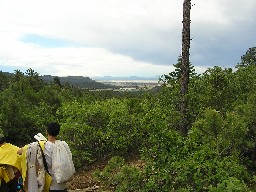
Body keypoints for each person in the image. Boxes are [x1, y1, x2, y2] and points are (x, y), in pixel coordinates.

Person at [17, 122, 75, 192]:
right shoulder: (64, 144)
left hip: (51, 185)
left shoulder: (42, 145)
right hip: (63, 185)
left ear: (46, 131)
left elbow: (19, 152)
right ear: (58, 132)